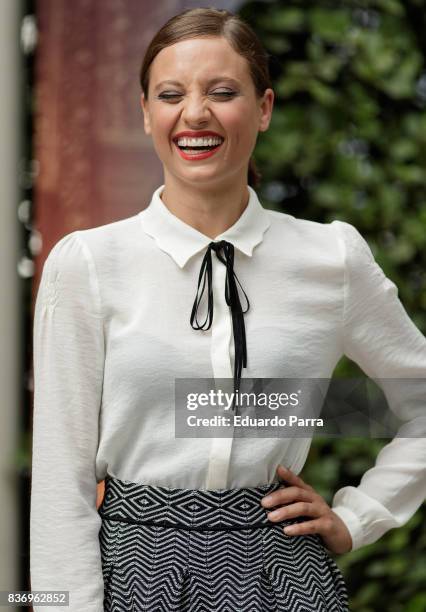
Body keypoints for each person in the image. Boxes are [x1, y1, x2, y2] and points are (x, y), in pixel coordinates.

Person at [30, 7, 426, 612]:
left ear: (263, 108)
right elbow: (62, 481)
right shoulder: (87, 263)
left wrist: (358, 517)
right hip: (133, 574)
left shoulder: (332, 258)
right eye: (170, 94)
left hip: (287, 574)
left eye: (222, 92)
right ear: (145, 113)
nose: (195, 114)